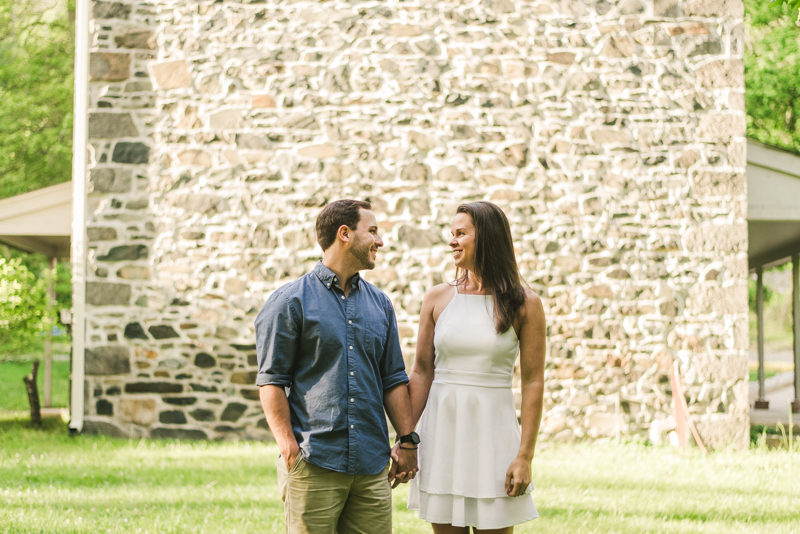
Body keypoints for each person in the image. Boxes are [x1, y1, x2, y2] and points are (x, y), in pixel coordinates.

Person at [255, 199, 418, 534]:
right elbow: (271, 381)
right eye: (372, 231)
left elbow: (393, 379)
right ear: (345, 234)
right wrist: (289, 449)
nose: (380, 241)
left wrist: (407, 441)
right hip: (314, 463)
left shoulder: (381, 305)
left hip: (372, 466)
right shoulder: (290, 302)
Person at [405, 201, 546, 533]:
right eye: (451, 233)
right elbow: (422, 372)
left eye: (461, 233)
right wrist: (406, 438)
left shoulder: (526, 304)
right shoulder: (437, 298)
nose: (452, 241)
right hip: (442, 435)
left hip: (493, 438)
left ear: (487, 238)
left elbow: (534, 382)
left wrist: (525, 455)